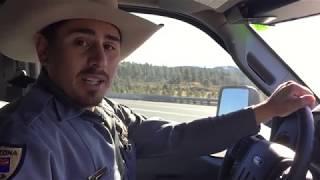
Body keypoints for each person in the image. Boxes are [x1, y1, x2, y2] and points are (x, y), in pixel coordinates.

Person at [0, 0, 316, 179]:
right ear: (44, 50)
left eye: (110, 46)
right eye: (81, 42)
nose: (100, 60)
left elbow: (175, 137)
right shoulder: (26, 136)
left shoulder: (106, 112)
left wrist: (267, 110)